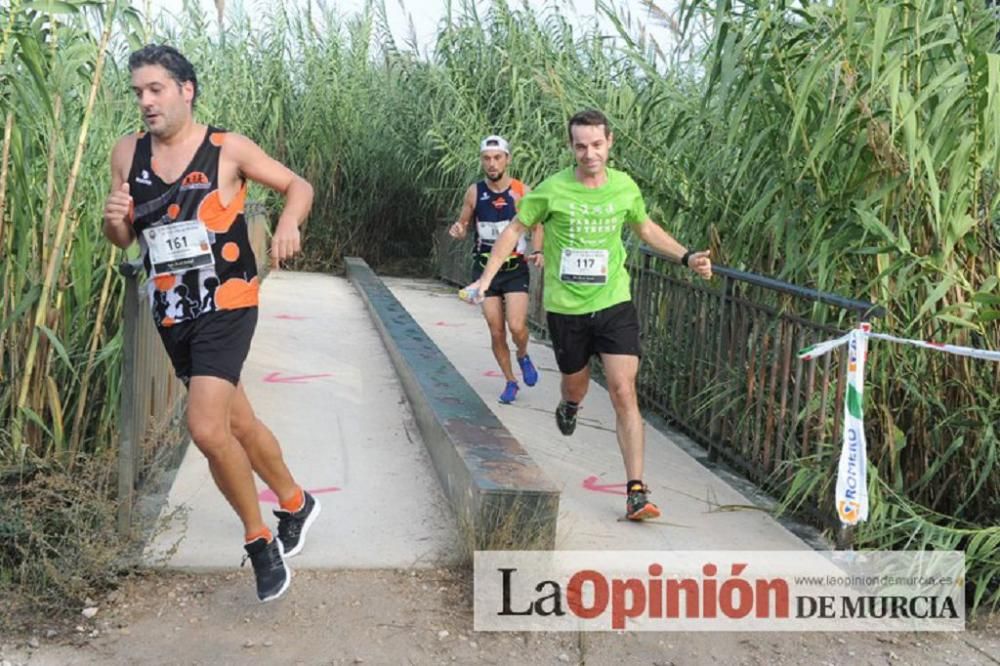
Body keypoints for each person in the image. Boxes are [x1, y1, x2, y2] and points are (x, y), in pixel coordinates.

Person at [102, 44, 319, 602]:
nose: (146, 102)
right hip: (172, 313)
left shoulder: (226, 149)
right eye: (138, 92)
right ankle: (296, 502)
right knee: (236, 425)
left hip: (228, 302)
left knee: (203, 428)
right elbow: (128, 238)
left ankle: (258, 543)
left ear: (185, 90)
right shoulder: (127, 153)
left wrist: (289, 224)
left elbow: (299, 186)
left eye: (156, 89)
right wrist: (113, 226)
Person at [464, 110, 713, 521]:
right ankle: (569, 405)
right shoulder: (552, 190)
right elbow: (512, 232)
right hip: (567, 311)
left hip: (614, 303)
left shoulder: (624, 188)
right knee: (575, 387)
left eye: (596, 144)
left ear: (609, 142)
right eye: (581, 146)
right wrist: (486, 279)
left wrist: (687, 257)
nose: (589, 153)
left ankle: (636, 491)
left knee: (622, 389)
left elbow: (645, 229)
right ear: (571, 147)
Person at [449, 135, 543, 404]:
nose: (492, 163)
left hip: (514, 268)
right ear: (482, 160)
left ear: (507, 159)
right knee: (496, 329)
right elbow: (463, 224)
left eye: (497, 157)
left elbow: (537, 226)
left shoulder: (522, 192)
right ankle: (510, 380)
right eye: (487, 158)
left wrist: (537, 250)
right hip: (484, 270)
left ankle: (523, 354)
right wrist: (458, 230)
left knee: (516, 326)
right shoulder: (474, 192)